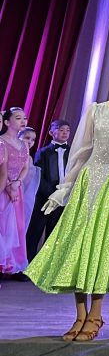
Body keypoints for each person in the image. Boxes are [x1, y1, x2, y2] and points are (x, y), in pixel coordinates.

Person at [24, 61, 109, 341]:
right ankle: (80, 313)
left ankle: (96, 313)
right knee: (79, 244)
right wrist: (64, 188)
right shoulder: (95, 109)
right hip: (89, 179)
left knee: (103, 246)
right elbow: (82, 152)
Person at [27, 120, 72, 260]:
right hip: (44, 198)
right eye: (61, 130)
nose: (65, 133)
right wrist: (52, 194)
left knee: (54, 234)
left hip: (64, 198)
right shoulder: (43, 152)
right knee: (35, 231)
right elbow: (38, 176)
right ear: (52, 132)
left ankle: (47, 265)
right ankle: (27, 264)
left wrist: (63, 194)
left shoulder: (72, 152)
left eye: (67, 130)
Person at [0, 107, 32, 276]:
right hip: (3, 190)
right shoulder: (1, 142)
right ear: (7, 122)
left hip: (16, 190)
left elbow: (25, 167)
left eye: (24, 118)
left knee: (15, 229)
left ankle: (10, 265)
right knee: (3, 228)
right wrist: (8, 186)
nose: (23, 121)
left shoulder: (23, 144)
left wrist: (18, 183)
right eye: (18, 118)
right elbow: (1, 170)